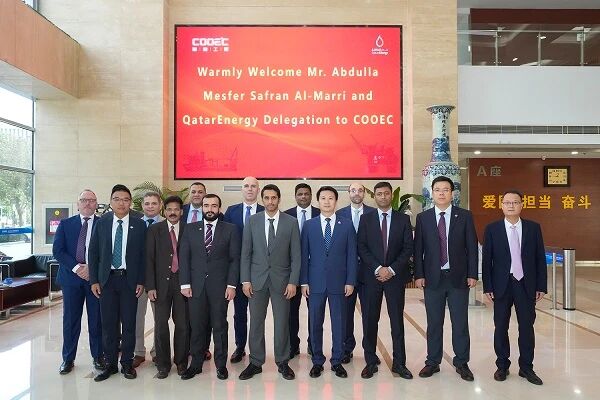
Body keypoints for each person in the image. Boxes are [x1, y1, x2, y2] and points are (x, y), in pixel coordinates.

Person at [414, 176, 478, 381]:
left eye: (446, 190)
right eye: (437, 190)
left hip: (458, 278)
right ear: (432, 193)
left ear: (452, 193)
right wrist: (419, 275)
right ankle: (432, 362)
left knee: (460, 323)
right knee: (434, 323)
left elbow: (472, 247)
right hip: (433, 279)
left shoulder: (464, 216)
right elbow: (418, 250)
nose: (441, 193)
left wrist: (472, 274)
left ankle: (462, 363)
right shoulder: (423, 218)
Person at [482, 189, 547, 385]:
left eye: (515, 202)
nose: (511, 205)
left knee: (526, 327)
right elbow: (487, 260)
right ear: (501, 205)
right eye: (507, 202)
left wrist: (541, 285)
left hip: (526, 285)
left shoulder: (533, 228)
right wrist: (488, 286)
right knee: (501, 326)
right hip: (501, 285)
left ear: (522, 205)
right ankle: (502, 365)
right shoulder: (492, 229)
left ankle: (526, 367)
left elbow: (539, 258)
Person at [238, 184, 300, 381]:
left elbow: (296, 256)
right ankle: (256, 362)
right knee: (256, 322)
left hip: (282, 282)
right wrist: (245, 280)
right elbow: (245, 253)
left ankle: (283, 362)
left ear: (279, 199)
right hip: (256, 281)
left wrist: (293, 282)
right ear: (262, 199)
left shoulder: (291, 222)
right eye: (267, 197)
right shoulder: (252, 221)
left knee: (282, 323)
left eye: (274, 198)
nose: (270, 201)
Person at [89, 184, 146, 381]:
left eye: (125, 200)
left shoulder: (139, 224)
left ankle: (127, 363)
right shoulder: (102, 223)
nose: (121, 203)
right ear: (111, 202)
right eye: (117, 199)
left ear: (130, 203)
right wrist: (94, 280)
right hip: (107, 281)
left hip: (129, 281)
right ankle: (111, 364)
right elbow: (93, 252)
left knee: (129, 324)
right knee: (108, 325)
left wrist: (141, 280)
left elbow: (143, 255)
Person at [179, 194, 240, 380]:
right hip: (195, 287)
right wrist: (185, 283)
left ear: (219, 208)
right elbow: (184, 258)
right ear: (202, 208)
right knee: (197, 326)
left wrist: (231, 285)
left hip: (220, 287)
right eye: (206, 205)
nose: (210, 209)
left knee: (219, 326)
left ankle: (221, 365)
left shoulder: (230, 229)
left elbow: (234, 260)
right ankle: (196, 364)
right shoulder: (189, 229)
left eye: (214, 206)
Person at [357, 181, 414, 379]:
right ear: (375, 197)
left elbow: (408, 247)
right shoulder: (366, 219)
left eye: (386, 193)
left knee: (397, 321)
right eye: (379, 194)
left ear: (391, 195)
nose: (383, 196)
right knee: (370, 320)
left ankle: (400, 363)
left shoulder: (403, 219)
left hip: (395, 278)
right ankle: (370, 362)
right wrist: (378, 268)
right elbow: (362, 246)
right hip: (371, 278)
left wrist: (390, 269)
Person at [301, 186, 357, 379]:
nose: (327, 201)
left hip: (339, 283)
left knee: (339, 323)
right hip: (315, 283)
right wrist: (304, 281)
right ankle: (317, 361)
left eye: (330, 198)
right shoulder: (309, 225)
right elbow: (303, 255)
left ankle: (337, 361)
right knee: (315, 322)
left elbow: (351, 255)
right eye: (323, 198)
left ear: (336, 201)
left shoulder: (346, 225)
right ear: (318, 201)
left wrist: (350, 281)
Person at [53, 189, 104, 375]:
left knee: (96, 320)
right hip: (71, 279)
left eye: (91, 200)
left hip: (95, 280)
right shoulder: (65, 224)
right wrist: (77, 268)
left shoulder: (103, 224)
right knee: (70, 320)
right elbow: (58, 251)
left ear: (96, 204)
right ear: (78, 204)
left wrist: (91, 268)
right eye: (84, 200)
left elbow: (106, 251)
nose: (87, 203)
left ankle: (98, 357)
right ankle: (68, 359)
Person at [145, 195, 189, 379]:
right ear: (164, 211)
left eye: (176, 209)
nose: (172, 212)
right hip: (160, 285)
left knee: (183, 325)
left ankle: (181, 362)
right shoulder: (155, 230)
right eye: (169, 209)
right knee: (161, 325)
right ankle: (163, 364)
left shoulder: (189, 229)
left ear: (181, 212)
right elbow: (149, 259)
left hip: (183, 284)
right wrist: (151, 286)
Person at [223, 176, 264, 363]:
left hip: (260, 271)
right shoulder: (231, 212)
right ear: (242, 189)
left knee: (258, 314)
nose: (249, 189)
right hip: (238, 271)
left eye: (253, 186)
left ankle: (257, 350)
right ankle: (240, 347)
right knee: (239, 313)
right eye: (246, 186)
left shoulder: (265, 211)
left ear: (258, 190)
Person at [336, 182, 376, 364]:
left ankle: (370, 352)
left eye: (360, 190)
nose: (357, 193)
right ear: (348, 192)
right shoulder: (339, 214)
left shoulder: (373, 214)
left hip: (369, 272)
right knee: (345, 314)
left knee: (370, 315)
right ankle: (346, 349)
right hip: (346, 273)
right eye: (353, 190)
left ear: (364, 193)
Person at [284, 182, 320, 359]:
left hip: (314, 271)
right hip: (291, 272)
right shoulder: (286, 215)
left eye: (306, 193)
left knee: (315, 311)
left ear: (311, 196)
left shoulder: (320, 214)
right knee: (291, 311)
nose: (303, 196)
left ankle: (313, 345)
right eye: (300, 194)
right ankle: (293, 345)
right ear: (295, 196)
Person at [133, 191, 163, 368]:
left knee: (160, 318)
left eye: (154, 203)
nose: (150, 206)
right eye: (147, 203)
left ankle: (158, 352)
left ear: (160, 205)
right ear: (142, 206)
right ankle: (138, 351)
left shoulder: (168, 224)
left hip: (159, 281)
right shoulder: (134, 224)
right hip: (137, 280)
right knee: (137, 317)